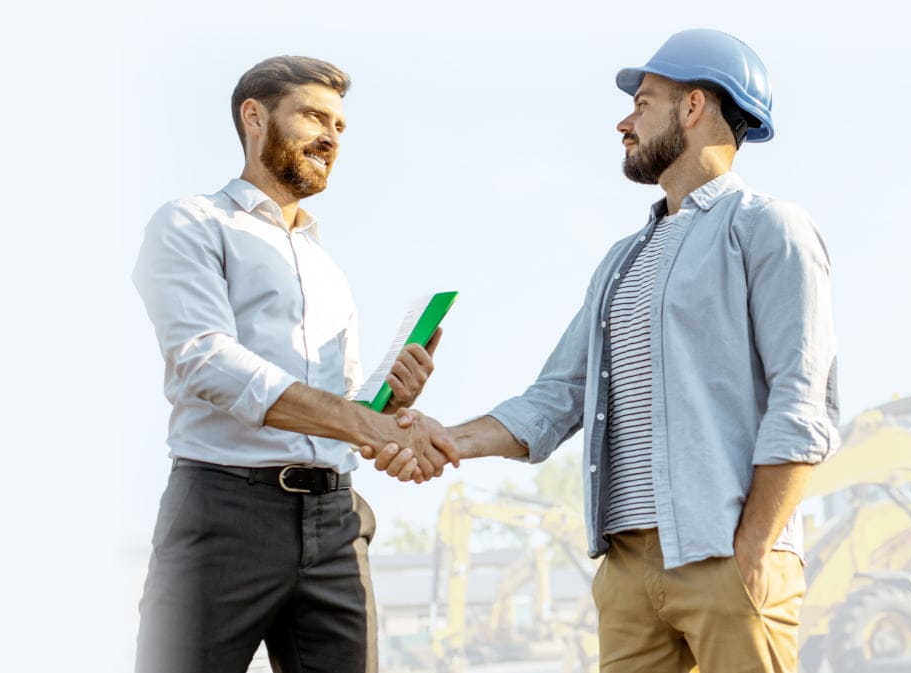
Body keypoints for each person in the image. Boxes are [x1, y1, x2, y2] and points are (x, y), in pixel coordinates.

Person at [379, 29, 840, 672]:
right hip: (626, 571)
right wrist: (445, 436)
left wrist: (756, 548)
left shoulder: (767, 227)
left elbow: (804, 400)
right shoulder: (621, 261)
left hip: (727, 556)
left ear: (694, 107)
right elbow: (558, 396)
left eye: (643, 102)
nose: (624, 122)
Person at [131, 55, 458, 673]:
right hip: (224, 515)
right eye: (313, 115)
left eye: (340, 125)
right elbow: (207, 359)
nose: (331, 136)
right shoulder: (191, 223)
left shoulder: (326, 266)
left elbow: (349, 411)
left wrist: (388, 401)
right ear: (253, 117)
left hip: (336, 523)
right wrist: (363, 424)